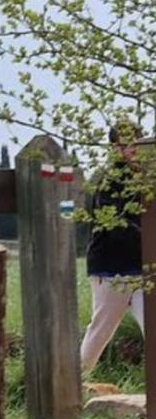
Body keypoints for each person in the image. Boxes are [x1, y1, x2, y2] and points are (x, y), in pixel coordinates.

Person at [81, 126, 145, 376]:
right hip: (111, 269)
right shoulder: (110, 182)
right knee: (101, 330)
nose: (133, 148)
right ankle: (76, 382)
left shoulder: (147, 179)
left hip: (142, 269)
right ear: (115, 148)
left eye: (137, 142)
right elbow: (116, 225)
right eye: (127, 143)